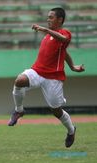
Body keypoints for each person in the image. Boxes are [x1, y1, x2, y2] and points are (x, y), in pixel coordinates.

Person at [8, 7, 85, 148]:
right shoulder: (49, 35)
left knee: (56, 110)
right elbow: (64, 54)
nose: (48, 19)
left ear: (60, 20)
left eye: (51, 17)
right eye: (48, 17)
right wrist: (72, 66)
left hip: (53, 79)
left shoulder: (64, 33)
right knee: (20, 81)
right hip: (37, 71)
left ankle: (71, 130)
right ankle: (19, 110)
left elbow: (63, 41)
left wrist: (45, 30)